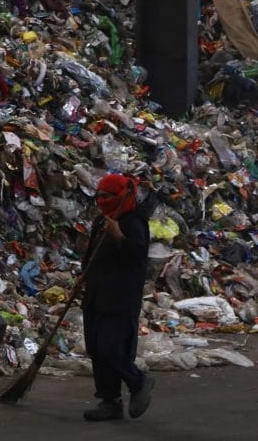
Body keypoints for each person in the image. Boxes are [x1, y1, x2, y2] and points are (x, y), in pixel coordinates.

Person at [81, 173, 154, 421]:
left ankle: (138, 382)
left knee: (111, 349)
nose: (102, 200)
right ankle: (109, 401)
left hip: (120, 297)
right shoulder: (102, 221)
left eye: (108, 196)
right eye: (99, 196)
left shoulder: (134, 222)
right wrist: (84, 277)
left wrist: (119, 237)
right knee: (97, 350)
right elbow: (92, 254)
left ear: (122, 195)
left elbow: (139, 257)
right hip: (96, 294)